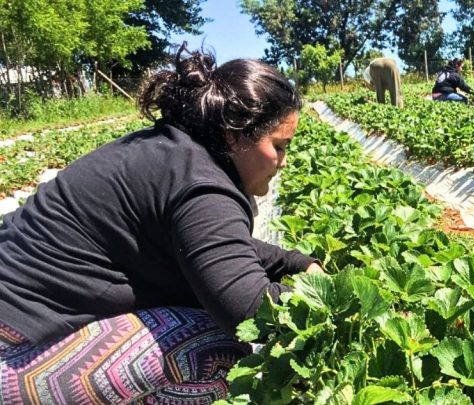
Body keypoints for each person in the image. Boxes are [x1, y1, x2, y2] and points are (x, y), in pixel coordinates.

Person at [0, 43, 322, 404]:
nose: (284, 161)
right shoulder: (200, 183)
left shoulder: (173, 154)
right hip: (11, 352)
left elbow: (218, 248)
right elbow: (246, 308)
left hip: (14, 323)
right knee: (213, 349)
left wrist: (295, 263)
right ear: (234, 134)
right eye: (279, 146)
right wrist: (324, 297)